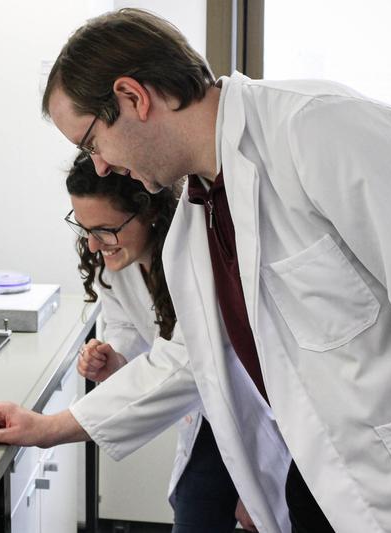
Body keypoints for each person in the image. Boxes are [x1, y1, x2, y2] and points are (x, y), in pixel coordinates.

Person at [0, 8, 391, 533]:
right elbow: (189, 360)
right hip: (326, 480)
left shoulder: (318, 128)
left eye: (91, 142)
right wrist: (47, 427)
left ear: (133, 97)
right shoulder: (199, 219)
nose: (100, 165)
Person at [65, 154, 259, 532]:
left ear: (148, 210)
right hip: (203, 416)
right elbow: (126, 324)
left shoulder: (194, 256)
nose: (93, 244)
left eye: (104, 229)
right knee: (193, 512)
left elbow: (190, 361)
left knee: (255, 510)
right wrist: (115, 357)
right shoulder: (116, 262)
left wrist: (257, 484)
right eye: (85, 229)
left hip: (249, 412)